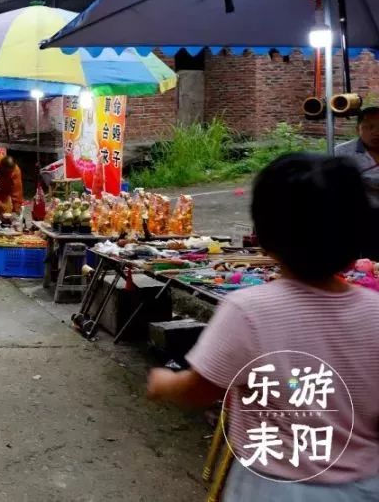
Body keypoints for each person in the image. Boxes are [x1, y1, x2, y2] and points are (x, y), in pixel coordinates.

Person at [146, 154, 379, 499]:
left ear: (264, 236)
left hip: (273, 486)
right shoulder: (374, 311)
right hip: (363, 486)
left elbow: (198, 391)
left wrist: (163, 383)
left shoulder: (249, 311)